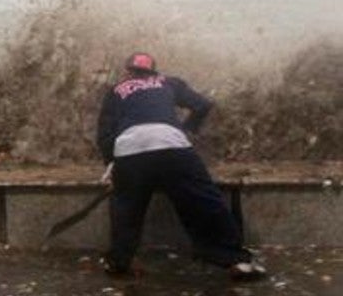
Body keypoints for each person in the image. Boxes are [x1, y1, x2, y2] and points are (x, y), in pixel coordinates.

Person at [96, 52, 266, 281]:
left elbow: (105, 132)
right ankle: (235, 259)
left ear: (128, 71)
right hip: (172, 146)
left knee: (126, 207)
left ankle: (119, 262)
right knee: (204, 200)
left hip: (130, 149)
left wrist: (112, 164)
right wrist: (187, 129)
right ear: (154, 71)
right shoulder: (169, 82)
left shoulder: (117, 90)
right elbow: (203, 105)